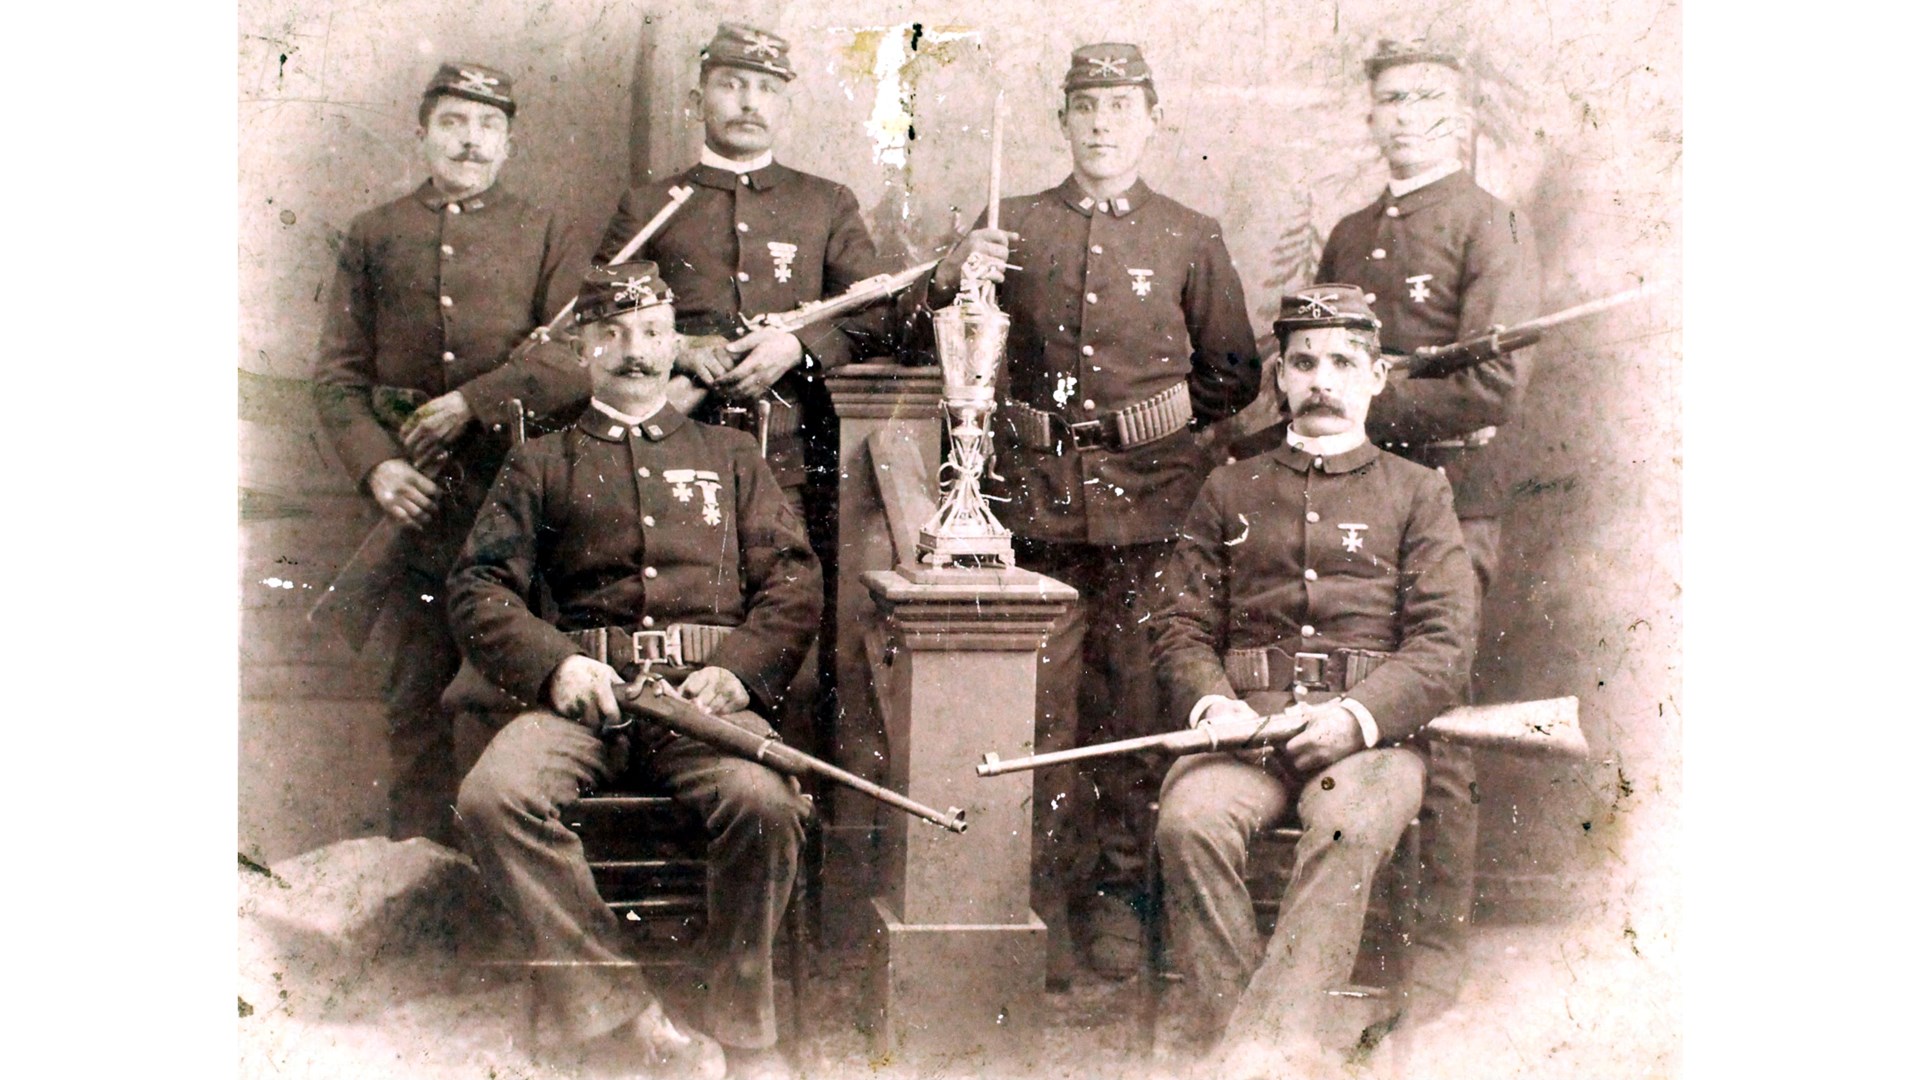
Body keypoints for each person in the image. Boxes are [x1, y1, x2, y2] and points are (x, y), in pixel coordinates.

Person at [928, 43, 1260, 985]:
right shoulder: (1011, 224)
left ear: (1151, 118)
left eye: (1121, 105)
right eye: (1087, 106)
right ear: (1063, 120)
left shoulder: (1191, 233)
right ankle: (1028, 898)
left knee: (1133, 703)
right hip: (1024, 504)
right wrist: (952, 275)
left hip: (1153, 508)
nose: (1103, 122)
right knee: (1029, 710)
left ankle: (1115, 893)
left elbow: (1231, 375)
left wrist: (1135, 429)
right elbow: (927, 339)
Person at [446, 262, 819, 1080]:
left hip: (702, 700)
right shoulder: (541, 462)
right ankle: (621, 1014)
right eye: (613, 335)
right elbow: (478, 589)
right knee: (493, 796)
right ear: (585, 350)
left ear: (674, 344)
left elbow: (793, 583)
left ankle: (745, 1034)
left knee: (766, 800)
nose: (636, 353)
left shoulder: (730, 456)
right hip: (586, 699)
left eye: (653, 334)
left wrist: (737, 674)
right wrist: (556, 667)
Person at [1150, 285, 1477, 1076]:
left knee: (1346, 828)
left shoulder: (1417, 491)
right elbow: (1180, 624)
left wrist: (1358, 718)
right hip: (1246, 733)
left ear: (1375, 378)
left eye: (1341, 362)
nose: (1321, 379)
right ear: (1281, 380)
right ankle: (1275, 1050)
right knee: (1188, 825)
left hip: (1373, 741)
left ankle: (1250, 1059)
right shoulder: (1228, 487)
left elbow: (1446, 641)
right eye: (1303, 363)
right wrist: (1213, 702)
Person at [1313, 38, 1542, 1018]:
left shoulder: (1490, 225)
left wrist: (1365, 403)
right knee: (1361, 714)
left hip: (1450, 508)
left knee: (1438, 725)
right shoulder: (1351, 231)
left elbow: (1492, 385)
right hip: (1360, 504)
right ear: (1370, 115)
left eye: (1425, 100)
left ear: (1456, 116)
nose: (1405, 115)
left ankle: (1432, 964)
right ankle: (1357, 948)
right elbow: (1311, 368)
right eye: (1390, 99)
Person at [594, 22, 895, 749]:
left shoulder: (825, 203)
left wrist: (799, 344)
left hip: (788, 463)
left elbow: (881, 312)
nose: (748, 102)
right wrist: (681, 347)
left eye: (765, 89)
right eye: (732, 85)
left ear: (785, 105)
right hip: (667, 460)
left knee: (786, 641)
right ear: (702, 96)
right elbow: (598, 314)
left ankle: (777, 819)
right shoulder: (652, 201)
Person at [312, 61, 589, 847]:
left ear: (508, 141)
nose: (471, 141)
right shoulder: (375, 232)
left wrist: (475, 400)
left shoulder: (545, 228)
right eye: (454, 123)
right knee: (413, 704)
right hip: (415, 515)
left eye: (488, 126)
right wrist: (379, 467)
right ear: (423, 130)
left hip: (517, 503)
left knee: (526, 700)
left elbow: (574, 359)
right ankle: (418, 892)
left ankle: (507, 898)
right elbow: (335, 379)